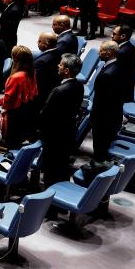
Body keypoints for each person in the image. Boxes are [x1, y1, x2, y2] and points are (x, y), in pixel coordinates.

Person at [37, 53, 85, 187]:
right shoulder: (79, 86)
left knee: (51, 174)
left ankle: (49, 203)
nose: (58, 66)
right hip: (68, 134)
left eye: (61, 64)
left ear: (66, 70)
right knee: (62, 170)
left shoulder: (58, 91)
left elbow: (45, 115)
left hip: (53, 138)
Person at [90, 40, 126, 161]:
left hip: (103, 120)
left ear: (109, 53)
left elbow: (101, 101)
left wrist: (93, 117)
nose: (99, 53)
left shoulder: (108, 74)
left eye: (101, 50)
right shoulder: (118, 66)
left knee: (100, 149)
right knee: (103, 147)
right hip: (114, 115)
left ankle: (97, 173)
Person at [0, 45, 38, 150]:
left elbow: (9, 99)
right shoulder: (32, 72)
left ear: (15, 59)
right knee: (18, 139)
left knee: (11, 143)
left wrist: (1, 101)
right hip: (27, 109)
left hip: (14, 114)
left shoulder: (16, 77)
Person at [35, 32, 62, 107]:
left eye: (40, 41)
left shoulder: (41, 62)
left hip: (41, 98)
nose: (37, 43)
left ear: (46, 44)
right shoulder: (58, 53)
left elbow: (37, 84)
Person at [112, 24, 135, 104]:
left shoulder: (123, 52)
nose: (111, 36)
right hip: (124, 88)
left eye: (114, 34)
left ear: (123, 36)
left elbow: (117, 74)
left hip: (119, 90)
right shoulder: (129, 47)